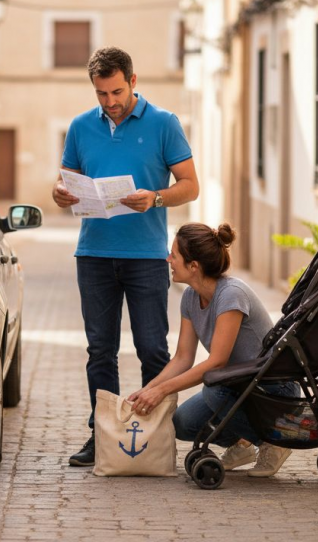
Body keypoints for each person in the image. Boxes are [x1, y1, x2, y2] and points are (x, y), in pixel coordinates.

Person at [52, 46, 199, 467]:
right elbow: (66, 186)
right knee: (100, 351)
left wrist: (155, 198)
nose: (110, 102)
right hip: (93, 254)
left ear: (133, 82)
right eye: (101, 94)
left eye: (116, 91)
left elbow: (190, 185)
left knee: (153, 350)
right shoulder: (80, 127)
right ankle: (102, 437)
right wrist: (60, 193)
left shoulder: (164, 124)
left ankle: (156, 437)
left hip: (147, 257)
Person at [127, 223, 298, 477]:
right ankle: (242, 444)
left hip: (273, 387)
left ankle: (273, 442)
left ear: (193, 266)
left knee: (214, 388)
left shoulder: (231, 295)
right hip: (240, 385)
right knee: (184, 423)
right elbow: (183, 358)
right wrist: (149, 390)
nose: (168, 259)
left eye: (174, 255)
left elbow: (217, 362)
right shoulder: (190, 297)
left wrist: (163, 390)